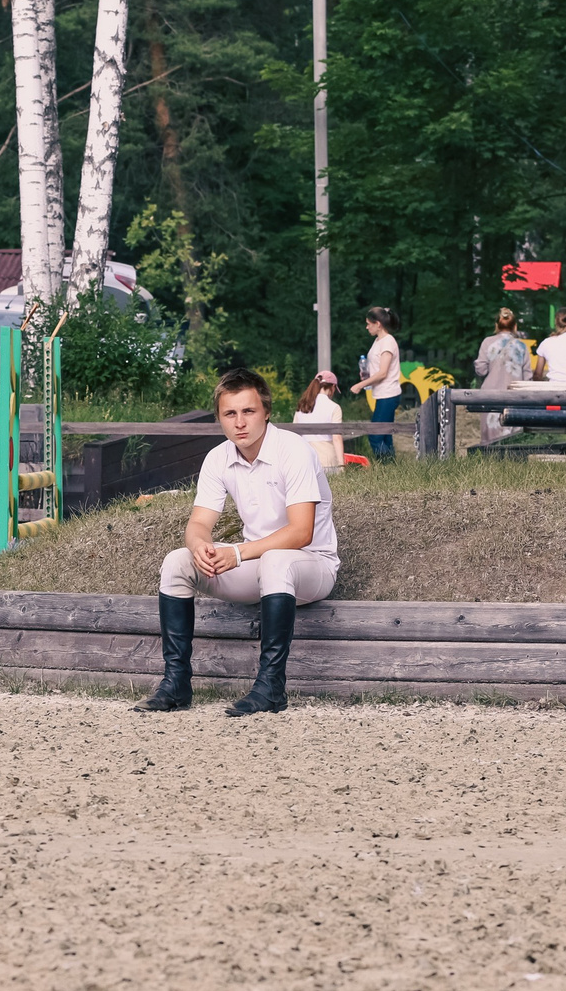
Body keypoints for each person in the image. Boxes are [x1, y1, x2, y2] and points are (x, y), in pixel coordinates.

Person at [137, 368, 339, 718]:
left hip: (311, 565)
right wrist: (200, 546)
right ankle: (176, 684)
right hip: (259, 566)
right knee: (177, 562)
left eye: (249, 411)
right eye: (230, 413)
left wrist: (236, 553)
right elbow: (199, 523)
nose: (240, 422)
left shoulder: (294, 450)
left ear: (267, 411)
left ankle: (271, 688)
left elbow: (300, 532)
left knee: (277, 560)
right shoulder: (218, 458)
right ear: (219, 419)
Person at [349, 306, 402, 461]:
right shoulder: (378, 341)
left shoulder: (387, 342)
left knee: (375, 435)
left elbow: (383, 372)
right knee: (385, 434)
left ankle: (386, 465)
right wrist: (366, 373)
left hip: (388, 394)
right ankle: (391, 468)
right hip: (383, 394)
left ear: (378, 324)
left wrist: (360, 385)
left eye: (368, 323)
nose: (367, 327)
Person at [474, 308, 531, 449]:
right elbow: (528, 377)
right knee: (513, 438)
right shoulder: (521, 346)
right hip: (514, 396)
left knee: (490, 439)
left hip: (490, 396)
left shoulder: (487, 342)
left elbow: (481, 370)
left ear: (496, 325)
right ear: (515, 326)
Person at [292, 370, 345, 472]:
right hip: (328, 461)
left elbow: (295, 436)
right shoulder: (334, 407)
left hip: (305, 461)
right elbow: (337, 438)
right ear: (333, 387)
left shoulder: (302, 407)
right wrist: (341, 466)